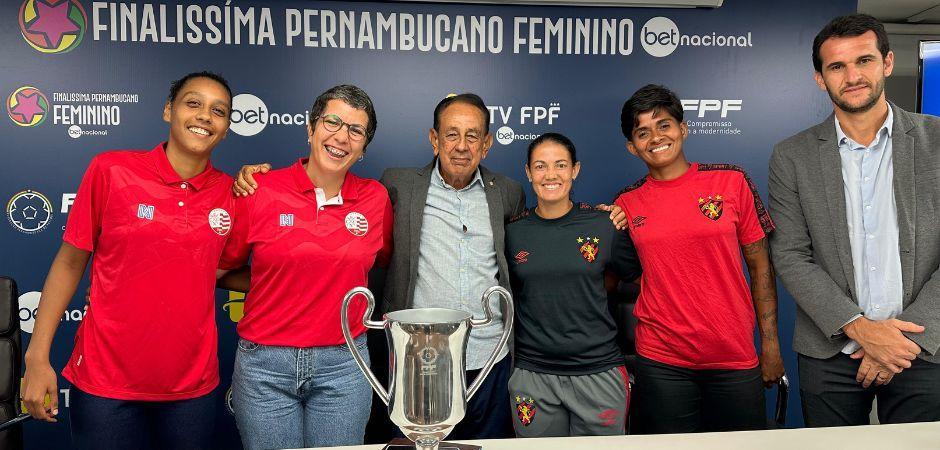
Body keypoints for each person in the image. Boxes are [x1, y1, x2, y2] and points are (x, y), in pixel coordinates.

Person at [234, 93, 626, 440]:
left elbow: (539, 238)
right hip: (415, 360)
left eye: (473, 136)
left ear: (487, 144)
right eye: (451, 134)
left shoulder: (507, 192)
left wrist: (605, 218)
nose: (461, 146)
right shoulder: (397, 185)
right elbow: (378, 253)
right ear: (433, 139)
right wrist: (251, 176)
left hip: (488, 357)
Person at [22, 71, 235, 450]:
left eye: (218, 110)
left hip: (191, 389)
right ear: (169, 110)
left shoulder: (233, 193)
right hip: (105, 386)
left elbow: (226, 269)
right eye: (193, 103)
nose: (205, 115)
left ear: (227, 127)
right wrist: (37, 358)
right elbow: (70, 263)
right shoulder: (111, 170)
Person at [769, 14, 940, 426]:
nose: (852, 76)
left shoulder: (938, 142)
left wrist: (898, 341)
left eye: (863, 60)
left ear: (887, 62)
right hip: (831, 352)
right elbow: (791, 255)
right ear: (819, 78)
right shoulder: (792, 156)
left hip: (924, 346)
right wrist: (861, 330)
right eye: (837, 66)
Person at [217, 84, 393, 449]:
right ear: (310, 129)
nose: (341, 137)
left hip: (345, 364)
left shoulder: (376, 199)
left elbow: (378, 264)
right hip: (265, 365)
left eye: (355, 130)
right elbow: (221, 270)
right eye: (332, 122)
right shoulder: (259, 189)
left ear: (362, 149)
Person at [613, 84, 785, 433]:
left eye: (664, 125)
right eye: (643, 132)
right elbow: (621, 271)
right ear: (633, 147)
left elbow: (761, 269)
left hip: (733, 353)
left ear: (683, 129)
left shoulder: (731, 181)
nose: (656, 137)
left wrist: (770, 344)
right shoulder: (626, 204)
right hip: (662, 359)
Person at [504, 133, 641, 437]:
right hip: (533, 375)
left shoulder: (605, 225)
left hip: (598, 371)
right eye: (540, 166)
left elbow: (638, 280)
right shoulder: (512, 232)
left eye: (560, 165)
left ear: (575, 170)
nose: (550, 175)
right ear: (528, 172)